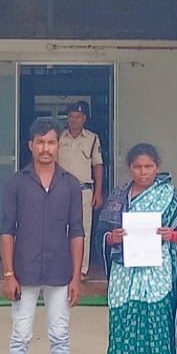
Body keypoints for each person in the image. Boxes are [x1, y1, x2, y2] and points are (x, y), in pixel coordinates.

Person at [99, 143, 177, 354]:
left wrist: (172, 236)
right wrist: (113, 238)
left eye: (148, 166)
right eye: (138, 167)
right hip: (125, 275)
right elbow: (103, 234)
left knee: (158, 332)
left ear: (158, 167)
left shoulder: (173, 198)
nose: (143, 172)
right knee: (125, 332)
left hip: (159, 274)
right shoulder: (118, 197)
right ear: (130, 169)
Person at [0, 118, 84, 354]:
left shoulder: (70, 185)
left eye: (51, 142)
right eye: (40, 142)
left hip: (60, 273)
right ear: (30, 145)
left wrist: (76, 277)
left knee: (60, 336)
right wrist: (8, 274)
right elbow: (7, 231)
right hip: (24, 272)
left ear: (58, 146)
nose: (46, 148)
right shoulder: (16, 183)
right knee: (20, 336)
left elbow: (77, 232)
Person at [57, 100, 104, 279]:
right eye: (71, 117)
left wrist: (98, 192)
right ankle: (63, 267)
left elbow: (98, 165)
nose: (74, 120)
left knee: (83, 229)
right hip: (60, 190)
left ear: (84, 118)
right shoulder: (59, 138)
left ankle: (81, 269)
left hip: (84, 191)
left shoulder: (92, 139)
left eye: (78, 117)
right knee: (60, 228)